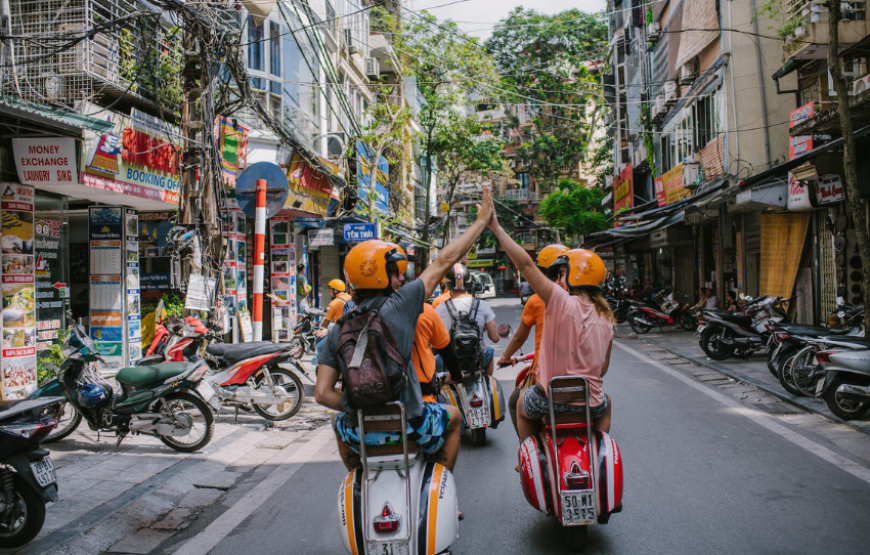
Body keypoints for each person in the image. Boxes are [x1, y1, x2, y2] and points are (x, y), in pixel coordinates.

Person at [314, 187, 495, 473]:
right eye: (396, 273)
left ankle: (358, 477)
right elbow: (444, 261)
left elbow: (323, 394)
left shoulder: (339, 328)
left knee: (338, 426)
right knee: (456, 418)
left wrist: (355, 407)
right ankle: (440, 484)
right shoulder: (402, 305)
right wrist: (481, 221)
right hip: (412, 423)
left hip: (359, 428)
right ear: (381, 276)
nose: (401, 278)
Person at [484, 199, 614, 442]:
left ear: (574, 275)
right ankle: (598, 446)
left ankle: (530, 455)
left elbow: (524, 264)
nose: (559, 280)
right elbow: (602, 369)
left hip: (548, 401)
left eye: (562, 274)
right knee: (607, 404)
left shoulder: (558, 300)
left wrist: (496, 227)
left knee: (521, 406)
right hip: (592, 403)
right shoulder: (607, 317)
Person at [498, 244, 568, 434]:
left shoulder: (537, 300)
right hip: (580, 385)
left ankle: (525, 455)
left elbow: (520, 337)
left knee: (515, 403)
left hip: (545, 382)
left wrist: (505, 357)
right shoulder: (584, 304)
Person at [435, 263, 500, 377]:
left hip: (448, 362)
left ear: (447, 284)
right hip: (477, 360)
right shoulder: (483, 305)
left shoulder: (439, 308)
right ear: (469, 283)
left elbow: (434, 343)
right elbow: (495, 338)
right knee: (489, 351)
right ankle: (487, 385)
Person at [311, 279, 352, 367]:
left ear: (335, 290)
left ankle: (325, 367)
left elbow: (326, 322)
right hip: (349, 329)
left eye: (330, 290)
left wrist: (320, 331)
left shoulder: (334, 303)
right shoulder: (350, 298)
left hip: (340, 330)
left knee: (319, 347)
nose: (329, 292)